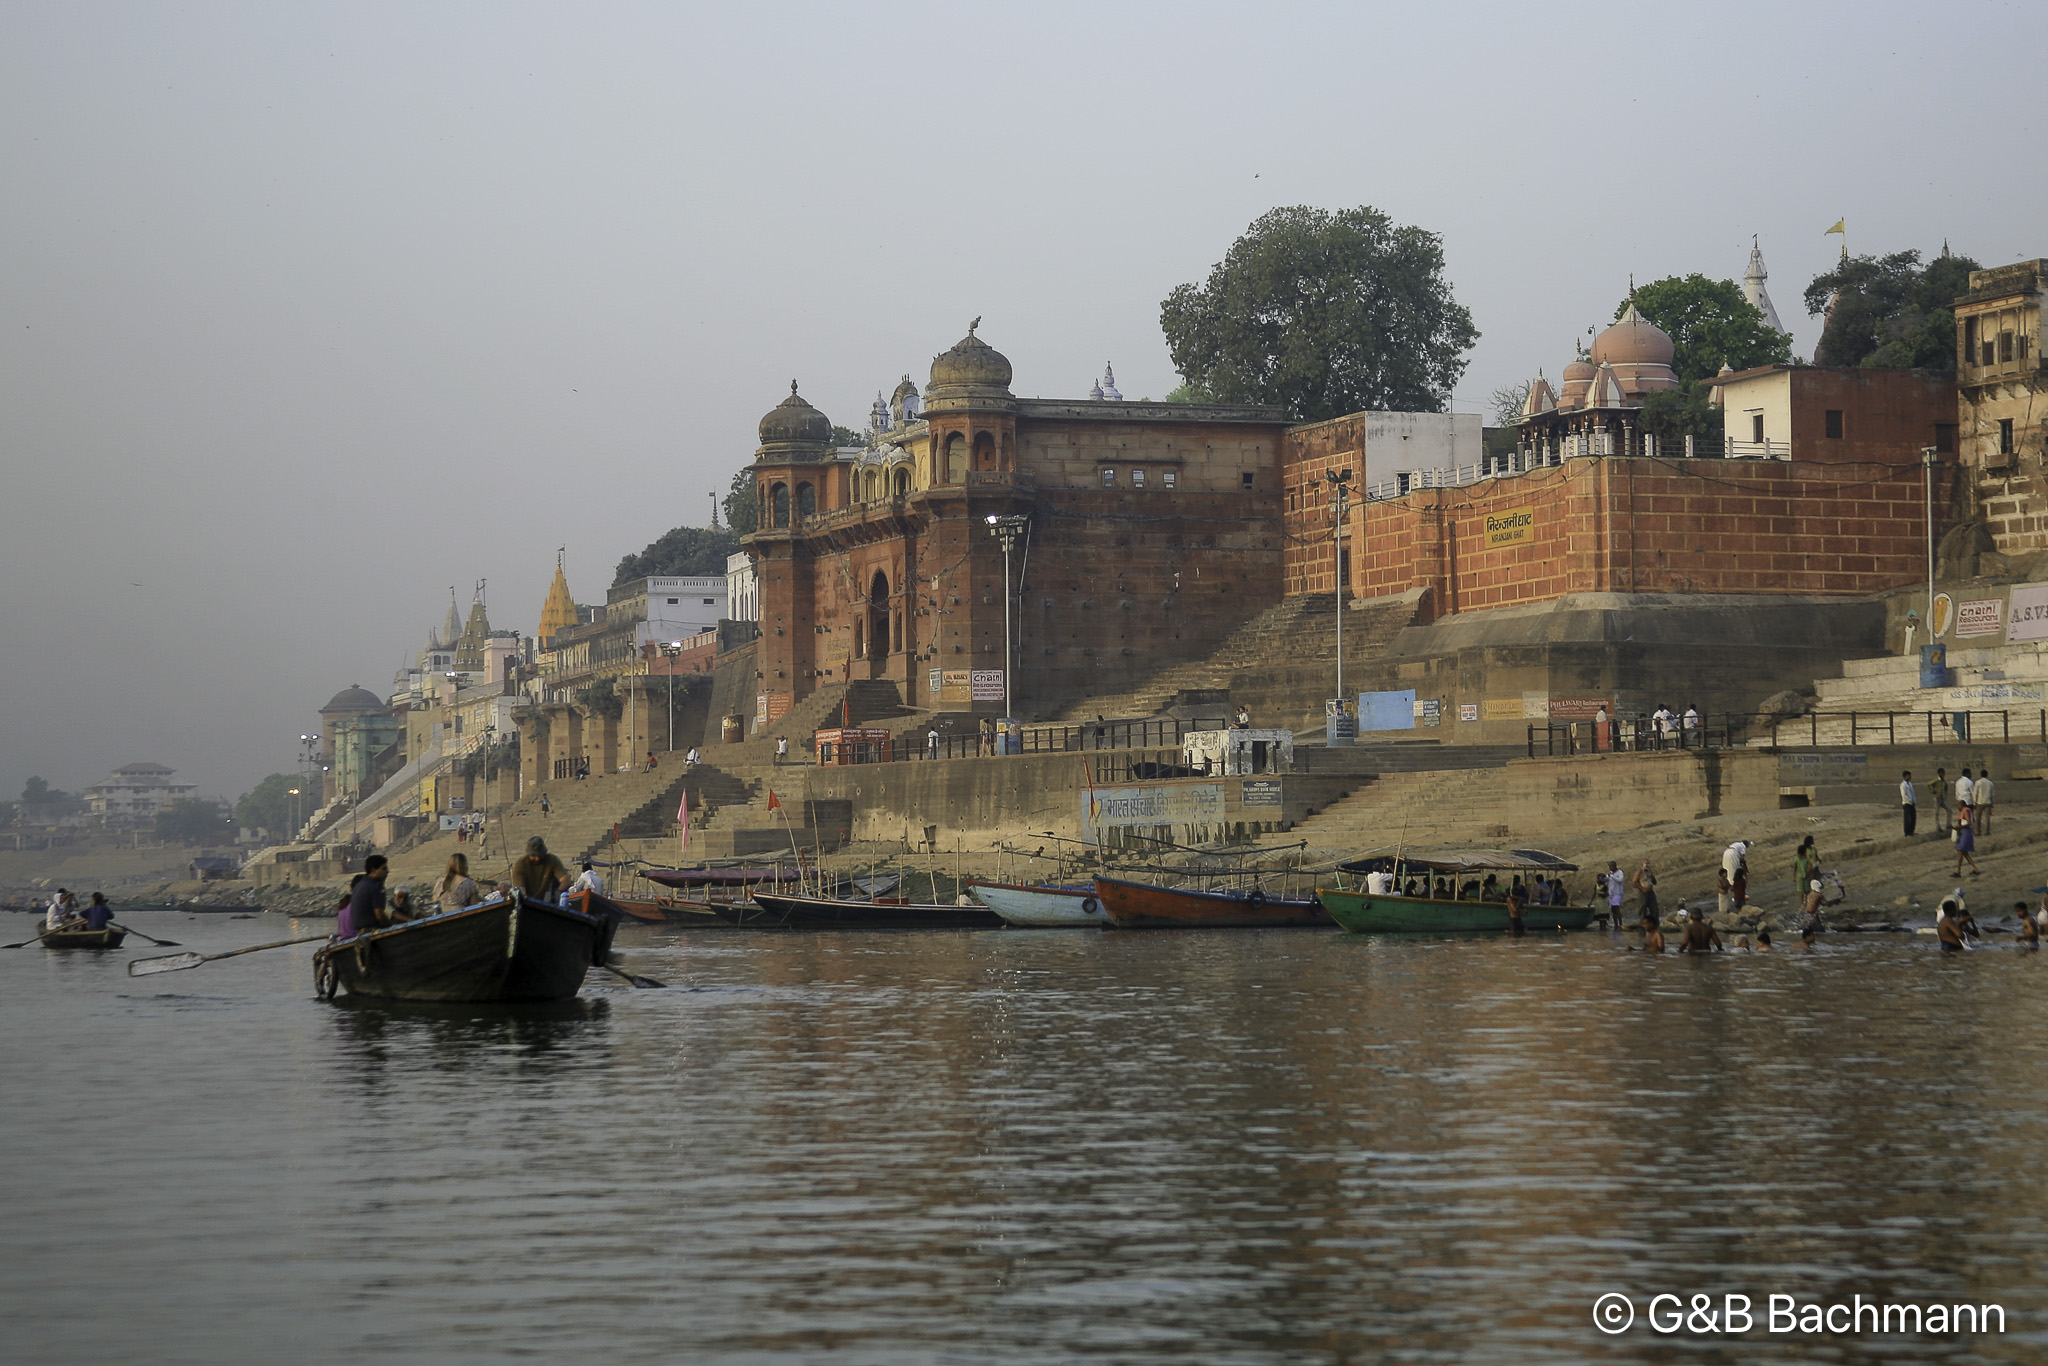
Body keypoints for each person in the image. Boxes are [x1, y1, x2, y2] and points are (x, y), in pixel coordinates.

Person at [346, 856, 396, 937]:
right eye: (384, 868)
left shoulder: (359, 885)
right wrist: (392, 928)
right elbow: (379, 915)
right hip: (371, 931)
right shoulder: (374, 887)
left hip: (360, 933)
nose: (387, 871)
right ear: (373, 870)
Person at [512, 836, 569, 903]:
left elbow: (566, 880)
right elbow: (521, 891)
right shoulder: (520, 864)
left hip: (546, 902)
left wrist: (557, 892)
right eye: (534, 856)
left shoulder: (552, 860)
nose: (537, 858)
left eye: (540, 855)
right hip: (527, 904)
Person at [1953, 802, 1981, 877]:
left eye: (1958, 805)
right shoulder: (1969, 810)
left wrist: (1959, 827)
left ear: (1962, 805)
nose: (1957, 807)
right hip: (1966, 832)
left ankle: (1958, 871)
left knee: (1960, 851)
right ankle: (1975, 869)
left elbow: (1969, 823)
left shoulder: (1965, 811)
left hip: (1965, 833)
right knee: (1964, 853)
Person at [1633, 858, 1659, 923]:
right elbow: (1633, 883)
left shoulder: (1650, 871)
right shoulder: (1639, 872)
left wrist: (1652, 877)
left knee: (1654, 909)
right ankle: (1643, 924)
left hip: (1651, 892)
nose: (1647, 865)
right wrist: (1642, 889)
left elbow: (1655, 882)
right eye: (1646, 863)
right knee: (1643, 909)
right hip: (1643, 893)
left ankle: (1655, 923)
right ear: (1642, 864)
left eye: (1648, 863)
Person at [1801, 879, 1824, 948]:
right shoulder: (1819, 895)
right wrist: (1837, 899)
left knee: (1805, 931)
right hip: (1812, 917)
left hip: (1806, 916)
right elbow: (1826, 903)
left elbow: (1805, 905)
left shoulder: (1809, 894)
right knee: (1821, 933)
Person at [1928, 767, 1952, 836]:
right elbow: (1928, 784)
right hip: (1937, 799)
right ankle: (1938, 827)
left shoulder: (1944, 781)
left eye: (1943, 773)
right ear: (1939, 773)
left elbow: (1945, 789)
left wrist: (1945, 796)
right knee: (1936, 813)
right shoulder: (1936, 780)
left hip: (1943, 799)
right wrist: (1932, 791)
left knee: (1949, 810)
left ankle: (1948, 825)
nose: (1943, 774)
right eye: (1941, 773)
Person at [1974, 770, 1995, 835]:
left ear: (1981, 774)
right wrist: (1992, 803)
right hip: (1988, 802)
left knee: (1978, 818)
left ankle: (1978, 831)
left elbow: (1975, 793)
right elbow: (1992, 794)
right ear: (1987, 775)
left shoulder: (1978, 782)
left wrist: (1974, 802)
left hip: (1980, 802)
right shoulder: (1990, 783)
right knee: (1987, 818)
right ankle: (1987, 831)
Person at [1900, 770, 1918, 837]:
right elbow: (1903, 795)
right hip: (1906, 803)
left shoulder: (1910, 784)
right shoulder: (1903, 785)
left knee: (1913, 817)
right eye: (1908, 775)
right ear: (1905, 776)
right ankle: (1907, 832)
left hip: (1912, 803)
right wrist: (1909, 801)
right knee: (1907, 818)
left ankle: (1911, 831)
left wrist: (1914, 801)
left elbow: (1912, 793)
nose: (1910, 777)